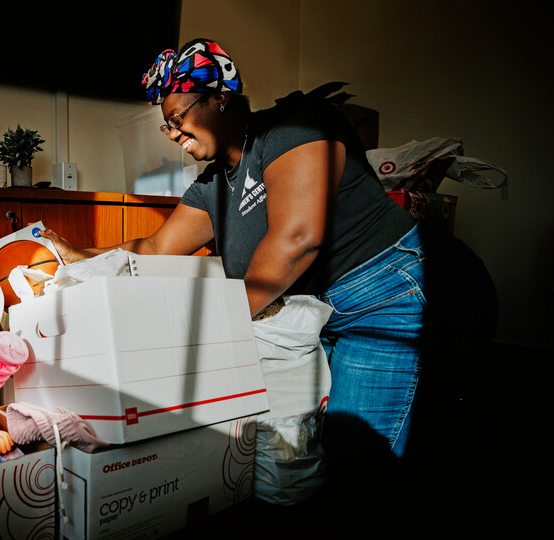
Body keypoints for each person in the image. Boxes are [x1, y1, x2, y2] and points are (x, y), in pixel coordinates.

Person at [40, 38, 496, 492]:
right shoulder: (214, 184)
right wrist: (78, 254)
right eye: (167, 126)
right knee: (316, 447)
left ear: (220, 97)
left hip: (385, 294)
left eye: (177, 118)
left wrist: (204, 332)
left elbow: (297, 239)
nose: (174, 133)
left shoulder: (294, 126)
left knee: (357, 452)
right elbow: (156, 246)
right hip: (325, 313)